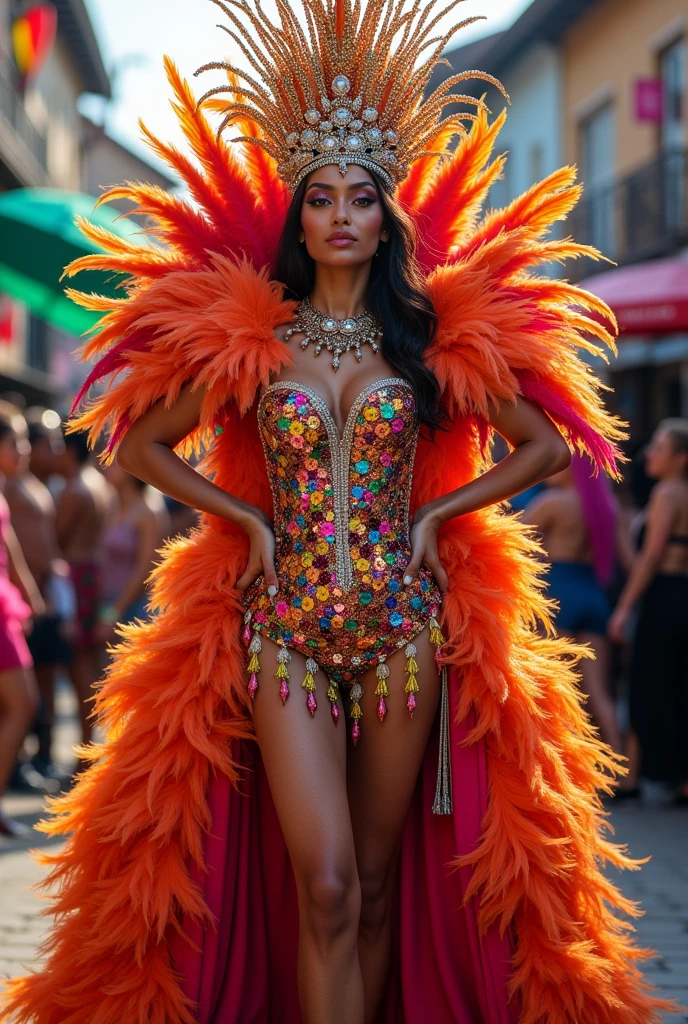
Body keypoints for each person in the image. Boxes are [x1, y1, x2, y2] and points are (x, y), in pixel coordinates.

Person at [1, 2, 677, 1022]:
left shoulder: (421, 334)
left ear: (384, 213)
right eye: (322, 197)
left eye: (363, 196)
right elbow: (138, 441)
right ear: (300, 216)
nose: (344, 214)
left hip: (405, 630)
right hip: (284, 632)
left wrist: (436, 512)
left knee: (367, 890)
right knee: (320, 885)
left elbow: (542, 440)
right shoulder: (258, 341)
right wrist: (248, 517)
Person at [523, 454, 631, 755]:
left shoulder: (552, 502)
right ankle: (624, 773)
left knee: (556, 687)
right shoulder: (607, 508)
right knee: (598, 691)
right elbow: (628, 563)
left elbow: (512, 548)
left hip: (560, 595)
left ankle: (566, 767)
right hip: (595, 597)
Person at [609, 418, 688, 801]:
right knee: (680, 686)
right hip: (681, 595)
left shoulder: (668, 492)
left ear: (681, 458)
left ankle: (632, 777)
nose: (649, 454)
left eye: (659, 447)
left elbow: (652, 556)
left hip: (664, 597)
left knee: (645, 684)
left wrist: (624, 607)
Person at [4, 418, 75, 784]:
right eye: (17, 443)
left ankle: (34, 760)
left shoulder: (30, 486)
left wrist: (37, 589)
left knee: (40, 684)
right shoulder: (9, 488)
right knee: (23, 694)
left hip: (33, 598)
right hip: (15, 602)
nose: (25, 452)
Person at [54, 428, 113, 743]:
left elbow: (56, 537)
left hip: (77, 578)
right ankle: (89, 743)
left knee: (80, 666)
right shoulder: (98, 483)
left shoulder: (75, 488)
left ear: (70, 451)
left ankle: (85, 746)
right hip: (93, 575)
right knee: (89, 662)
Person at [0, 405, 43, 836]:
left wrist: (26, 594)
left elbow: (9, 546)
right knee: (24, 704)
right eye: (15, 442)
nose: (25, 450)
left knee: (20, 705)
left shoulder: (4, 489)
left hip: (5, 609)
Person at [96, 464, 170, 645]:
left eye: (114, 463)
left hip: (135, 608)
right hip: (110, 602)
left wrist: (114, 611)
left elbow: (145, 568)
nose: (106, 465)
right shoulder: (113, 505)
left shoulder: (148, 512)